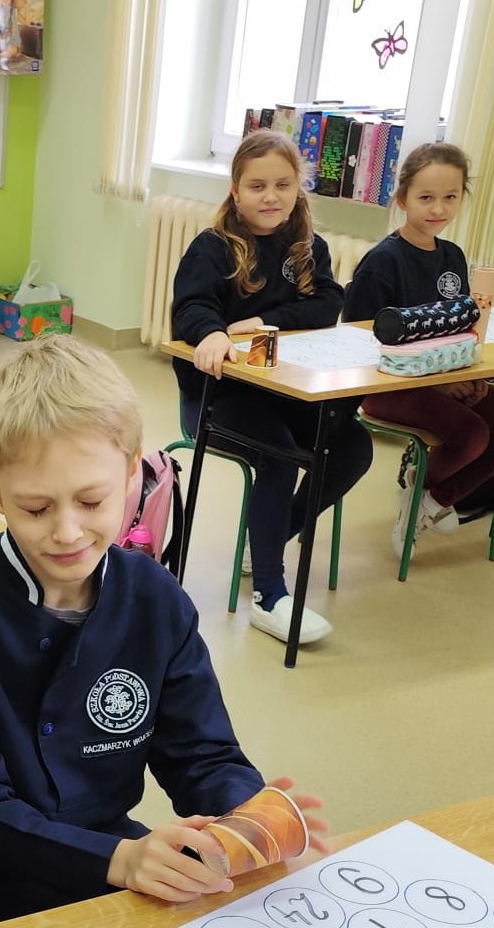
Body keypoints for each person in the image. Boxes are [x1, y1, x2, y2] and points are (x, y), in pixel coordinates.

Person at [0, 335, 327, 928]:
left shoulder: (156, 599)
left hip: (115, 863)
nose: (67, 532)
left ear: (133, 472)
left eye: (91, 501)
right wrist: (122, 859)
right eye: (35, 509)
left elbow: (200, 753)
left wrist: (248, 813)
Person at [172, 129, 373, 646]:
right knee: (278, 456)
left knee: (352, 445)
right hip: (218, 399)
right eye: (257, 186)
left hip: (284, 394)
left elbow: (327, 304)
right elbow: (191, 307)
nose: (270, 197)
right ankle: (269, 594)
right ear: (235, 190)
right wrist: (213, 332)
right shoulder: (212, 248)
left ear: (297, 188)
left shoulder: (308, 247)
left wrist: (265, 321)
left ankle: (269, 535)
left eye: (283, 185)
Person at [342, 141, 494, 550]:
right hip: (388, 386)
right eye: (426, 198)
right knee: (471, 434)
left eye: (450, 197)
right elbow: (359, 346)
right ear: (402, 199)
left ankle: (430, 500)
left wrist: (473, 376)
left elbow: (460, 328)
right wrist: (436, 384)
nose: (438, 209)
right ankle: (420, 491)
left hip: (445, 379)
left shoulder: (452, 256)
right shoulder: (383, 262)